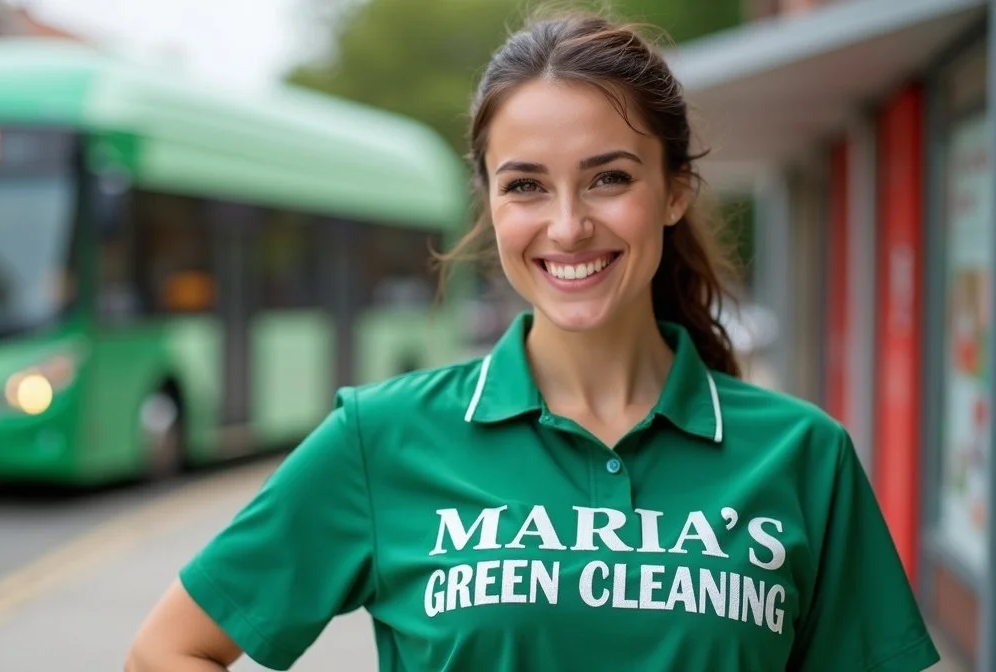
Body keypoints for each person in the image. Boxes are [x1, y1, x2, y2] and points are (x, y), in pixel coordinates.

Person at [126, 10, 941, 672]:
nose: (567, 225)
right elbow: (170, 649)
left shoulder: (802, 456)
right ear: (489, 204)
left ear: (673, 191)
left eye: (609, 178)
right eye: (526, 185)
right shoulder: (381, 440)